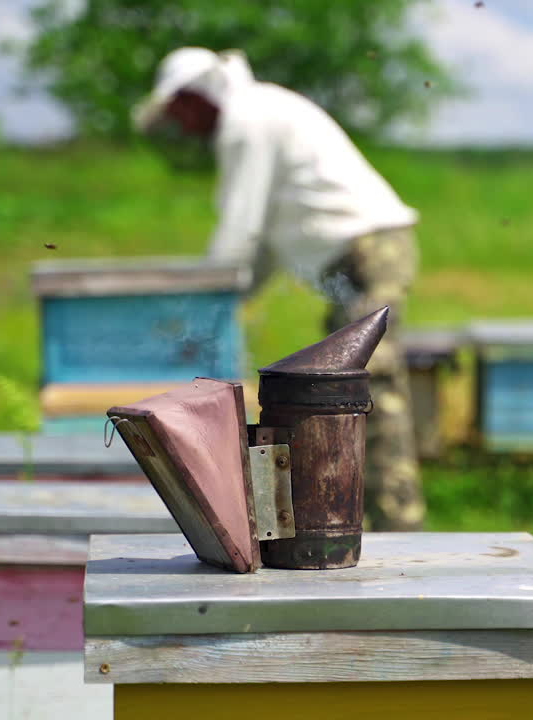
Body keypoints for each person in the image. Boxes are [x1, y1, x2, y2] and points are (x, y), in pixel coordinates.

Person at [133, 46, 425, 531]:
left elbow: (239, 231)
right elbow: (264, 246)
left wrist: (197, 310)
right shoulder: (259, 112)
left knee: (369, 389)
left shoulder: (248, 119)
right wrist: (227, 305)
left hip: (371, 252)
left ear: (196, 95)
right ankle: (370, 522)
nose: (182, 126)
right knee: (346, 394)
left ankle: (401, 525)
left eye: (180, 110)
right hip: (359, 256)